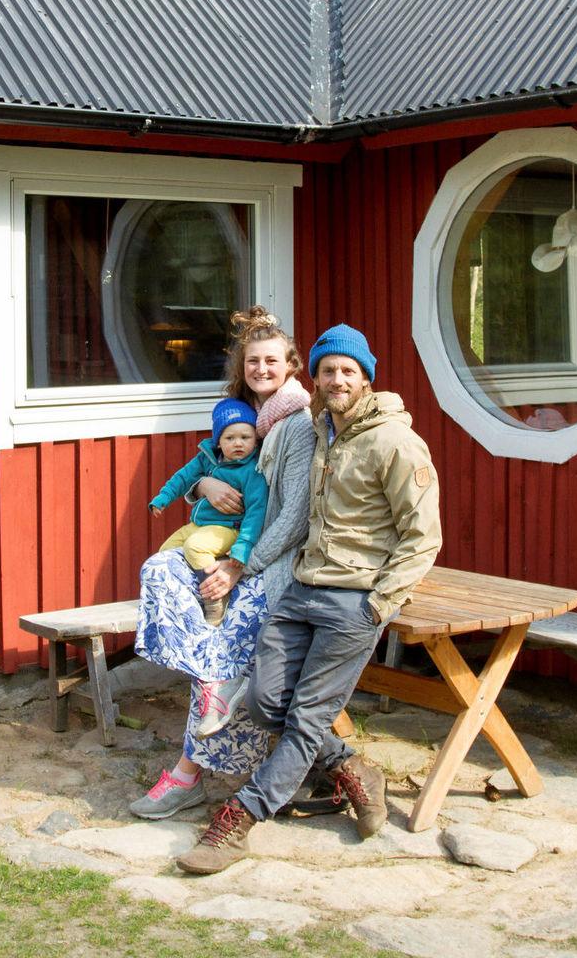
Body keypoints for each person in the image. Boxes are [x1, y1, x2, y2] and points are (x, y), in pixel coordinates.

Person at [176, 323, 440, 875]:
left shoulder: (394, 441)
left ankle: (238, 821)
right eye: (328, 370)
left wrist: (379, 604)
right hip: (303, 589)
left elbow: (423, 536)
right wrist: (202, 484)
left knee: (304, 719)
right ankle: (351, 768)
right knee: (264, 702)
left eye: (349, 370)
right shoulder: (319, 432)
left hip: (354, 600)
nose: (338, 379)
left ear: (366, 378)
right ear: (314, 380)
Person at [131, 306, 315, 820]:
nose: (261, 368)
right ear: (242, 367)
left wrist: (241, 567)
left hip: (270, 559)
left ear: (291, 366)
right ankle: (210, 681)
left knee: (228, 630)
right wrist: (200, 486)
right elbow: (213, 482)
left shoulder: (295, 425)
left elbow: (295, 514)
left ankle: (187, 771)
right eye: (252, 360)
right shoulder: (238, 415)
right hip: (221, 544)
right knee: (159, 570)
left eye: (271, 361)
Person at [149, 398, 270, 627]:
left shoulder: (252, 471)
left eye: (246, 437)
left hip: (229, 528)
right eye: (230, 438)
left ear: (255, 438)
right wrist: (163, 498)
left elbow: (256, 512)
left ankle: (215, 598)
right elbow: (183, 477)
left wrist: (243, 546)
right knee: (165, 553)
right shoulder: (208, 458)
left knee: (194, 546)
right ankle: (187, 599)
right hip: (200, 525)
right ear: (218, 441)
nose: (238, 444)